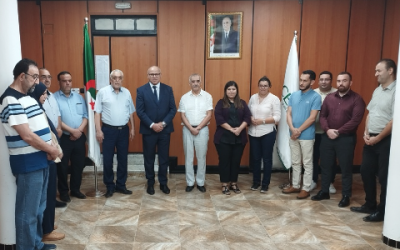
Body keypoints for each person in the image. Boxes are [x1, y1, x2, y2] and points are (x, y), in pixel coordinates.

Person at [0, 58, 60, 250]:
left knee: (39, 208)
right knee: (27, 211)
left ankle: (36, 244)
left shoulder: (27, 96)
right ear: (21, 76)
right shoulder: (10, 99)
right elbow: (26, 135)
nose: (37, 81)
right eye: (34, 77)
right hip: (28, 162)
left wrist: (51, 149)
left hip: (41, 159)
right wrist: (51, 149)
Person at [350, 59, 396, 222]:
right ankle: (370, 204)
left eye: (379, 71)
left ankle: (382, 211)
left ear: (390, 71)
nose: (375, 74)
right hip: (371, 137)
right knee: (365, 171)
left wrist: (378, 138)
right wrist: (366, 133)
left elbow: (393, 120)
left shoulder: (396, 91)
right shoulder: (377, 90)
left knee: (383, 176)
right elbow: (370, 113)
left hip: (386, 140)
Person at [311, 72, 365, 207]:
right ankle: (324, 191)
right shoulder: (329, 98)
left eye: (344, 81)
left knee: (345, 168)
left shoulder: (357, 99)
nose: (341, 83)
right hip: (327, 137)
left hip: (346, 139)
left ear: (350, 83)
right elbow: (322, 116)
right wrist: (327, 130)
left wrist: (338, 132)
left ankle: (346, 195)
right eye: (339, 81)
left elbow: (355, 120)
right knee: (325, 165)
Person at [29, 82, 66, 242]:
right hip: (46, 156)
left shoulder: (39, 108)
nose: (45, 97)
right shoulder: (34, 110)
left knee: (50, 194)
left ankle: (48, 224)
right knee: (47, 194)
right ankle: (47, 230)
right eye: (43, 94)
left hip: (51, 156)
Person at [94, 69, 135, 198]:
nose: (117, 80)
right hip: (108, 131)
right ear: (110, 79)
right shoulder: (102, 92)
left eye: (119, 78)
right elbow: (97, 112)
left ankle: (121, 185)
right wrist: (98, 130)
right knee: (108, 160)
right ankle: (109, 186)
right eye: (114, 78)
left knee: (123, 159)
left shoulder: (127, 92)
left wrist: (132, 127)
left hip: (123, 130)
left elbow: (130, 112)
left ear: (122, 79)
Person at [136, 66, 177, 195]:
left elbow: (173, 109)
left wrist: (163, 124)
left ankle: (163, 183)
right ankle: (150, 182)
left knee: (164, 158)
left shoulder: (168, 89)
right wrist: (152, 125)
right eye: (151, 74)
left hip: (164, 131)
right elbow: (140, 111)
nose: (154, 76)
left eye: (157, 74)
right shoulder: (141, 90)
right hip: (149, 131)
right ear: (147, 75)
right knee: (149, 158)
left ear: (160, 75)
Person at [283, 70, 321, 199]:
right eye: (300, 80)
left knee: (307, 163)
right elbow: (288, 113)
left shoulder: (315, 97)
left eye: (305, 80)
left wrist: (298, 130)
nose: (301, 82)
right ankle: (295, 185)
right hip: (293, 134)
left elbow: (312, 118)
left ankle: (306, 188)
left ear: (312, 82)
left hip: (306, 136)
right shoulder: (294, 95)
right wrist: (293, 129)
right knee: (295, 162)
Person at [54, 71, 88, 202]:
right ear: (59, 82)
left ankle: (75, 189)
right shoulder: (54, 98)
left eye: (69, 80)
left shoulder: (79, 98)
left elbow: (85, 115)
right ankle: (63, 192)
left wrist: (78, 130)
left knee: (78, 165)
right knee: (62, 167)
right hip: (64, 138)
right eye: (64, 80)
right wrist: (72, 131)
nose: (67, 83)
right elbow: (57, 120)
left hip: (79, 137)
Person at [214, 81, 251, 195]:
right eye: (229, 89)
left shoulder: (242, 103)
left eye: (233, 89)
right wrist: (231, 129)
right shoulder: (221, 103)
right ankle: (225, 184)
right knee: (224, 161)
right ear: (225, 91)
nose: (231, 91)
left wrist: (239, 129)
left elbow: (247, 117)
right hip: (223, 138)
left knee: (236, 161)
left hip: (239, 138)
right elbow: (219, 118)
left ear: (237, 91)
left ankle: (233, 183)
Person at [178, 73, 213, 193]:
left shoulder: (207, 96)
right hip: (187, 130)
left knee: (201, 157)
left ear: (201, 82)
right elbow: (182, 115)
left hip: (202, 130)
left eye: (197, 81)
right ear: (189, 83)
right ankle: (190, 182)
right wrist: (191, 128)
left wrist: (198, 128)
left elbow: (209, 115)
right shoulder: (184, 97)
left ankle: (200, 182)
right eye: (193, 81)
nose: (195, 83)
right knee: (188, 157)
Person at [248, 76, 280, 193]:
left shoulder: (274, 99)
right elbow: (248, 111)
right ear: (258, 86)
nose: (263, 88)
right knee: (255, 159)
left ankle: (265, 184)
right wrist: (251, 118)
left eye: (265, 86)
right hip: (253, 132)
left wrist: (263, 121)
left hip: (268, 132)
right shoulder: (253, 97)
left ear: (269, 87)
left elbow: (277, 117)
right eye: (261, 85)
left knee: (266, 159)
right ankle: (256, 182)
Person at [40, 68, 67, 209]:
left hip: (56, 137)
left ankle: (54, 197)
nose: (47, 79)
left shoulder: (52, 96)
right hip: (46, 140)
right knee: (49, 173)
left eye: (49, 77)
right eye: (43, 76)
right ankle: (50, 201)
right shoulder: (36, 97)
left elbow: (57, 115)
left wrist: (60, 129)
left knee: (57, 170)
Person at [311, 71, 338, 193]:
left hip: (330, 133)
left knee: (330, 159)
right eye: (321, 79)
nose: (323, 81)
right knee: (313, 157)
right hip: (314, 131)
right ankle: (313, 180)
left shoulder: (337, 93)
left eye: (326, 79)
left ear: (331, 81)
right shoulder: (313, 93)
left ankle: (329, 183)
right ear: (318, 81)